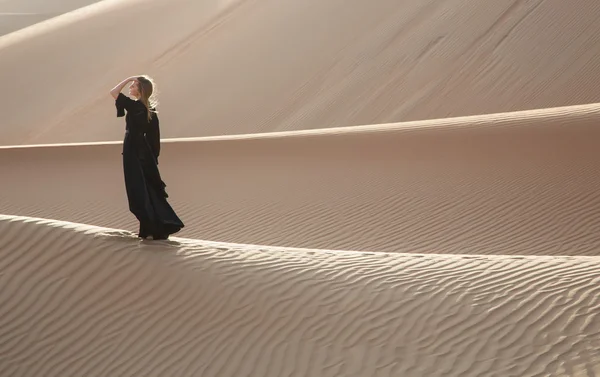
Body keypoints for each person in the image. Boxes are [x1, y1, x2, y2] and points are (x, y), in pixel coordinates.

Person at [110, 75, 184, 240]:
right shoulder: (150, 111)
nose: (131, 87)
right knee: (147, 190)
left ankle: (152, 228)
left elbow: (113, 92)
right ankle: (153, 227)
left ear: (140, 90)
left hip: (133, 151)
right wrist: (152, 159)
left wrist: (128, 78)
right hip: (143, 153)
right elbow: (154, 139)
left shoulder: (135, 106)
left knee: (137, 191)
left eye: (134, 85)